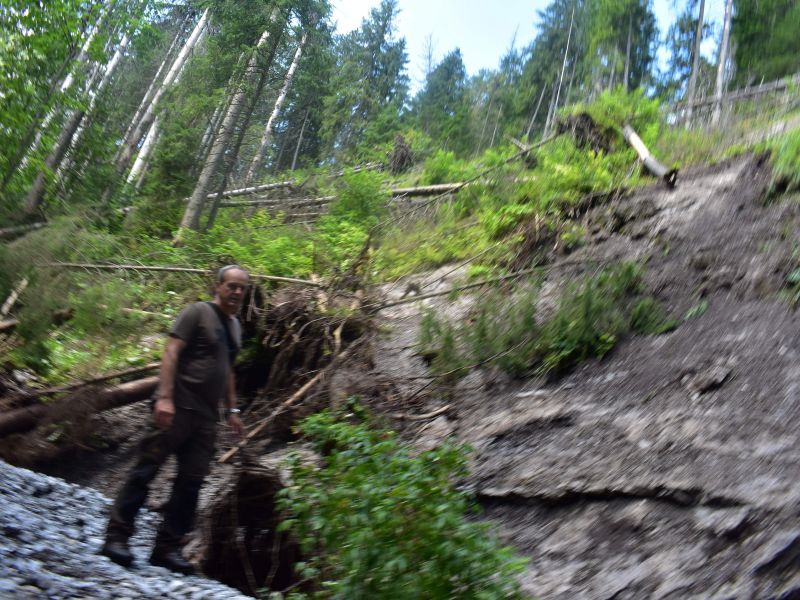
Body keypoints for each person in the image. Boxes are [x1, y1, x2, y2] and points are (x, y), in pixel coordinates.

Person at [100, 265, 249, 574]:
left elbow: (228, 370)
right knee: (146, 470)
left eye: (241, 288)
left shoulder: (235, 327)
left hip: (206, 419)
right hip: (178, 406)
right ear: (218, 285)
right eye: (231, 286)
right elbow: (171, 351)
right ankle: (117, 537)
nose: (236, 292)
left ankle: (166, 548)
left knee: (190, 484)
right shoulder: (197, 312)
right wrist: (165, 397)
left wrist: (232, 410)